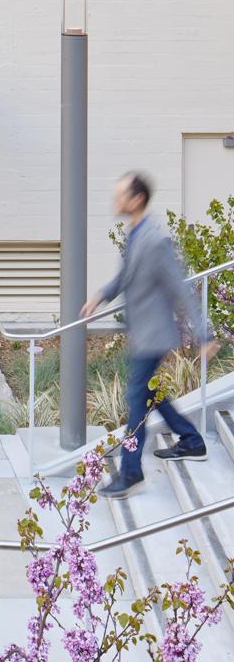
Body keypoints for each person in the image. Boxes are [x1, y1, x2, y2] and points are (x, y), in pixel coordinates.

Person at [82, 172, 217, 496]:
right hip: (143, 332)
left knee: (135, 397)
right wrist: (100, 294)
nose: (116, 201)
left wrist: (204, 333)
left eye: (120, 195)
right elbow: (126, 276)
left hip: (154, 334)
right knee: (149, 394)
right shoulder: (135, 233)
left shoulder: (155, 239)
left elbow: (180, 289)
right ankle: (192, 439)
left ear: (137, 199)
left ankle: (131, 472)